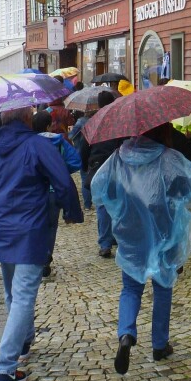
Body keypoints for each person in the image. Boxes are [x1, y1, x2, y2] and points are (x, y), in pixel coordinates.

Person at [0, 106, 83, 381]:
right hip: (28, 228)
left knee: (12, 292)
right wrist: (71, 212)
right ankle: (5, 369)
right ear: (26, 118)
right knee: (22, 297)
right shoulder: (36, 144)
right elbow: (63, 181)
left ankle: (23, 341)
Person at [91, 122, 191, 375]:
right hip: (165, 231)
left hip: (130, 232)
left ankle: (126, 334)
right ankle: (159, 344)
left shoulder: (119, 157)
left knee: (131, 288)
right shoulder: (169, 158)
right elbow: (188, 192)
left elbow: (103, 189)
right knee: (163, 286)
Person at [31, 110, 82, 278]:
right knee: (52, 226)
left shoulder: (30, 143)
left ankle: (35, 256)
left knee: (35, 225)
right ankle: (46, 258)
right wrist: (59, 171)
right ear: (49, 125)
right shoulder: (60, 142)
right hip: (55, 190)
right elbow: (75, 162)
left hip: (35, 192)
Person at [79, 90, 120, 257]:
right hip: (118, 166)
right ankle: (118, 236)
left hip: (98, 166)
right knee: (118, 203)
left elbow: (83, 147)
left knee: (102, 206)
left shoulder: (93, 122)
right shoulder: (119, 121)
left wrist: (85, 165)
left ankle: (105, 243)